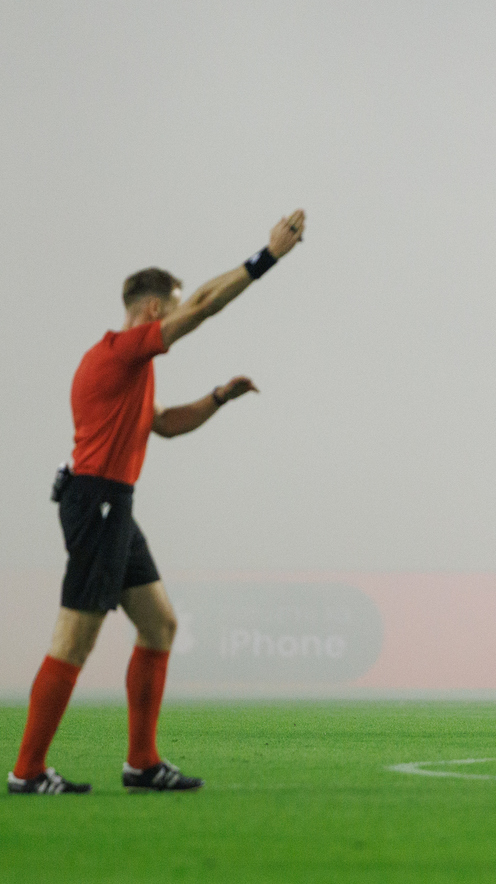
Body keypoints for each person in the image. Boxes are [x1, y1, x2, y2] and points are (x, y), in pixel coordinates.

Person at [7, 210, 306, 795]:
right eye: (170, 310)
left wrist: (219, 397)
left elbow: (164, 425)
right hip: (95, 502)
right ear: (152, 311)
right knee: (75, 638)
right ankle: (26, 771)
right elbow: (202, 304)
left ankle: (141, 764)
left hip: (112, 504)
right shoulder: (120, 352)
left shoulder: (131, 373)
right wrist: (265, 257)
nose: (177, 317)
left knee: (159, 624)